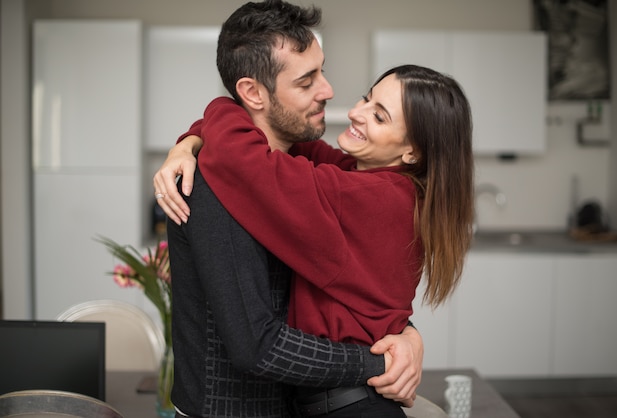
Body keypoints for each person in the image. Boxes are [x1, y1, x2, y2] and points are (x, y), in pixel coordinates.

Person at [153, 1, 424, 417]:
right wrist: (381, 362)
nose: (329, 91)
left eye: (322, 70)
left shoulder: (305, 168)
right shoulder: (208, 185)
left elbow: (352, 287)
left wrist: (405, 333)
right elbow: (257, 346)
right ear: (253, 93)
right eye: (306, 81)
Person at [168, 63, 474, 417]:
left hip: (350, 403)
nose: (355, 113)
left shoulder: (369, 198)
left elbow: (247, 162)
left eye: (379, 116)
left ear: (413, 153)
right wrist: (191, 140)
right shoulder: (362, 177)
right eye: (366, 98)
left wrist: (225, 105)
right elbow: (290, 144)